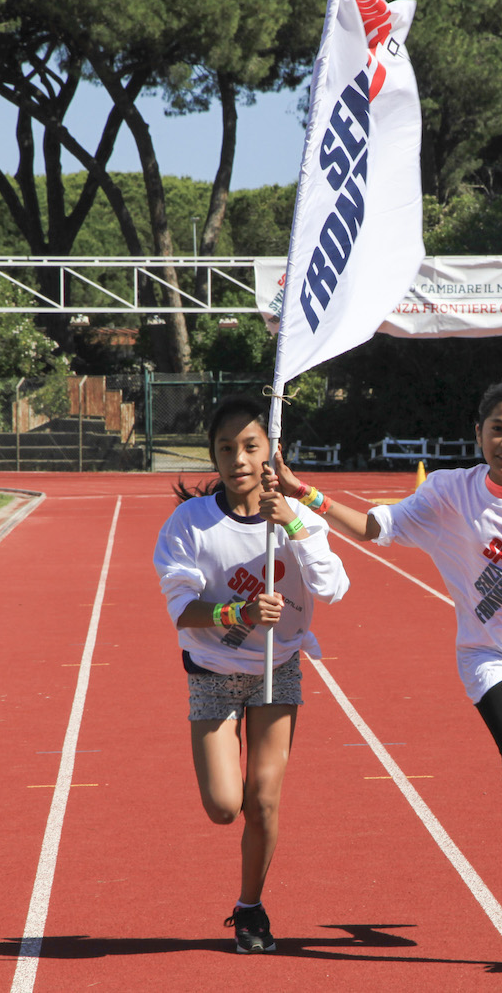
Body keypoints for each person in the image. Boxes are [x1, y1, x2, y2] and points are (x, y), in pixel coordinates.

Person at [265, 379, 502, 967]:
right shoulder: (452, 491)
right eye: (497, 429)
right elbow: (376, 527)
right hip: (488, 653)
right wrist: (303, 492)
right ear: (478, 433)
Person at [152, 394, 350, 954]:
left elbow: (334, 588)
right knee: (224, 806)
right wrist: (235, 612)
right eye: (225, 448)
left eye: (250, 446)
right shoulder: (190, 523)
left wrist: (295, 526)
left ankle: (249, 908)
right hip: (214, 669)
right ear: (213, 457)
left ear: (271, 452)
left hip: (275, 667)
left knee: (263, 800)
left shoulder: (298, 519)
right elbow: (181, 610)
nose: (238, 459)